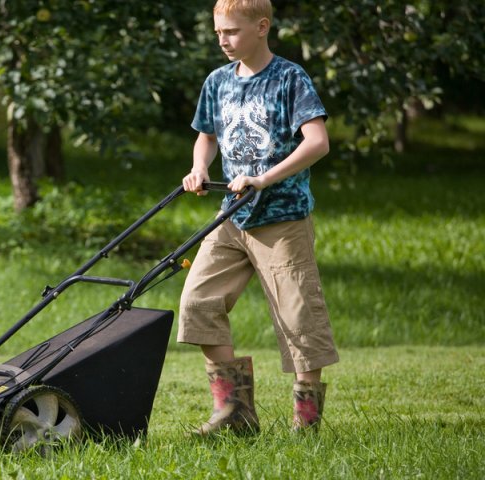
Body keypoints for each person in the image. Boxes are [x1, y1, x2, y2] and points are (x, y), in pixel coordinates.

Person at [179, 0, 339, 435]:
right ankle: (235, 414)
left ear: (261, 27)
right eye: (218, 33)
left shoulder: (289, 78)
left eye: (231, 31)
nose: (223, 40)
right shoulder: (217, 82)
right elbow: (206, 136)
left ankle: (305, 427)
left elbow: (318, 142)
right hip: (232, 218)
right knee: (198, 303)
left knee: (299, 321)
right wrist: (200, 168)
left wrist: (265, 178)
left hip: (282, 220)